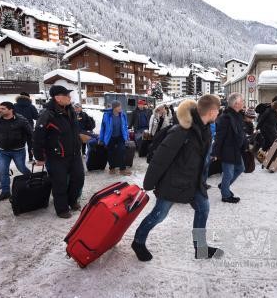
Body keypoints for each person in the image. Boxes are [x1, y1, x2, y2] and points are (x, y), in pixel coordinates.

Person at [131, 95, 223, 261]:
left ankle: (200, 248)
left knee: (203, 209)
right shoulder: (181, 131)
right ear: (212, 111)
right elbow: (160, 158)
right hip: (173, 183)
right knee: (158, 215)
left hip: (194, 183)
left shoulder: (205, 129)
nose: (218, 114)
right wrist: (149, 183)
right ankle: (138, 242)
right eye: (218, 110)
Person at [33, 85, 84, 219]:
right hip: (56, 156)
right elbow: (38, 136)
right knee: (59, 183)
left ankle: (72, 201)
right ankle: (61, 209)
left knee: (78, 179)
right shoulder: (47, 114)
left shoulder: (70, 110)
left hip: (74, 154)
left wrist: (80, 140)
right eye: (67, 95)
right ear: (58, 98)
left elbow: (74, 130)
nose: (70, 97)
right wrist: (39, 156)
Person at [0, 102, 32, 202]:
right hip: (2, 151)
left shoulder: (21, 120)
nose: (0, 110)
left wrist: (32, 148)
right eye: (0, 108)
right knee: (3, 171)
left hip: (18, 151)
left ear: (11, 110)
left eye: (3, 109)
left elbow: (30, 135)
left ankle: (32, 182)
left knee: (22, 168)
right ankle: (5, 192)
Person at [212, 92, 247, 203]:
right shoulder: (225, 118)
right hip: (227, 150)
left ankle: (223, 186)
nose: (243, 103)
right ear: (236, 103)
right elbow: (219, 136)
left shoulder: (238, 115)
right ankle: (225, 195)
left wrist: (245, 144)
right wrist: (215, 152)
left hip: (236, 149)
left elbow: (241, 132)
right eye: (242, 101)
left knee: (240, 168)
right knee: (228, 173)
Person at [99, 101, 131, 176]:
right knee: (110, 152)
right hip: (110, 136)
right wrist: (101, 139)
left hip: (120, 136)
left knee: (122, 151)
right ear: (114, 108)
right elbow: (103, 128)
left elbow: (125, 127)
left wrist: (127, 137)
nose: (120, 108)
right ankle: (112, 168)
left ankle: (122, 169)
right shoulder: (107, 115)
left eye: (120, 106)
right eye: (118, 106)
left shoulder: (123, 115)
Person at [14, 92, 38, 162]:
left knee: (19, 145)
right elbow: (36, 117)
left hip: (17, 128)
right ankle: (30, 159)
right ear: (28, 98)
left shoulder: (14, 106)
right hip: (29, 128)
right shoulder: (31, 106)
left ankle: (19, 159)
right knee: (30, 144)